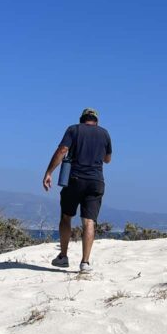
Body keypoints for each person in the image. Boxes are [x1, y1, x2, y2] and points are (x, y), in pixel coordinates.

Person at [42, 107, 112, 273]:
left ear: (82, 119)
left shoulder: (73, 129)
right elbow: (107, 159)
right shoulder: (104, 133)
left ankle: (63, 257)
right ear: (96, 121)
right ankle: (85, 262)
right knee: (89, 221)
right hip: (96, 181)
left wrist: (49, 172)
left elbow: (62, 150)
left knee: (66, 216)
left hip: (75, 179)